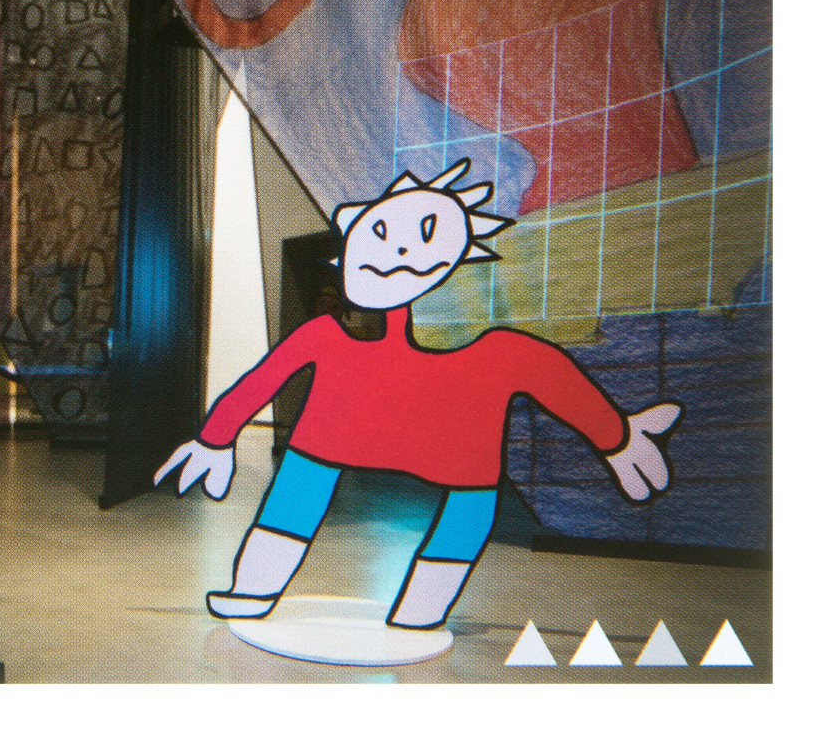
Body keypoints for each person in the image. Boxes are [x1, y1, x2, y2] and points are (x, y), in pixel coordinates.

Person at [155, 158, 680, 629]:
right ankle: (255, 590)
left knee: (461, 508)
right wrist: (215, 437)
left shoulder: (494, 355)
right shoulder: (328, 339)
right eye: (380, 232)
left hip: (450, 460)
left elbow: (554, 377)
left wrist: (618, 439)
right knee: (302, 490)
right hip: (332, 443)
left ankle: (421, 610)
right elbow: (262, 381)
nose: (399, 251)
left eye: (426, 234)